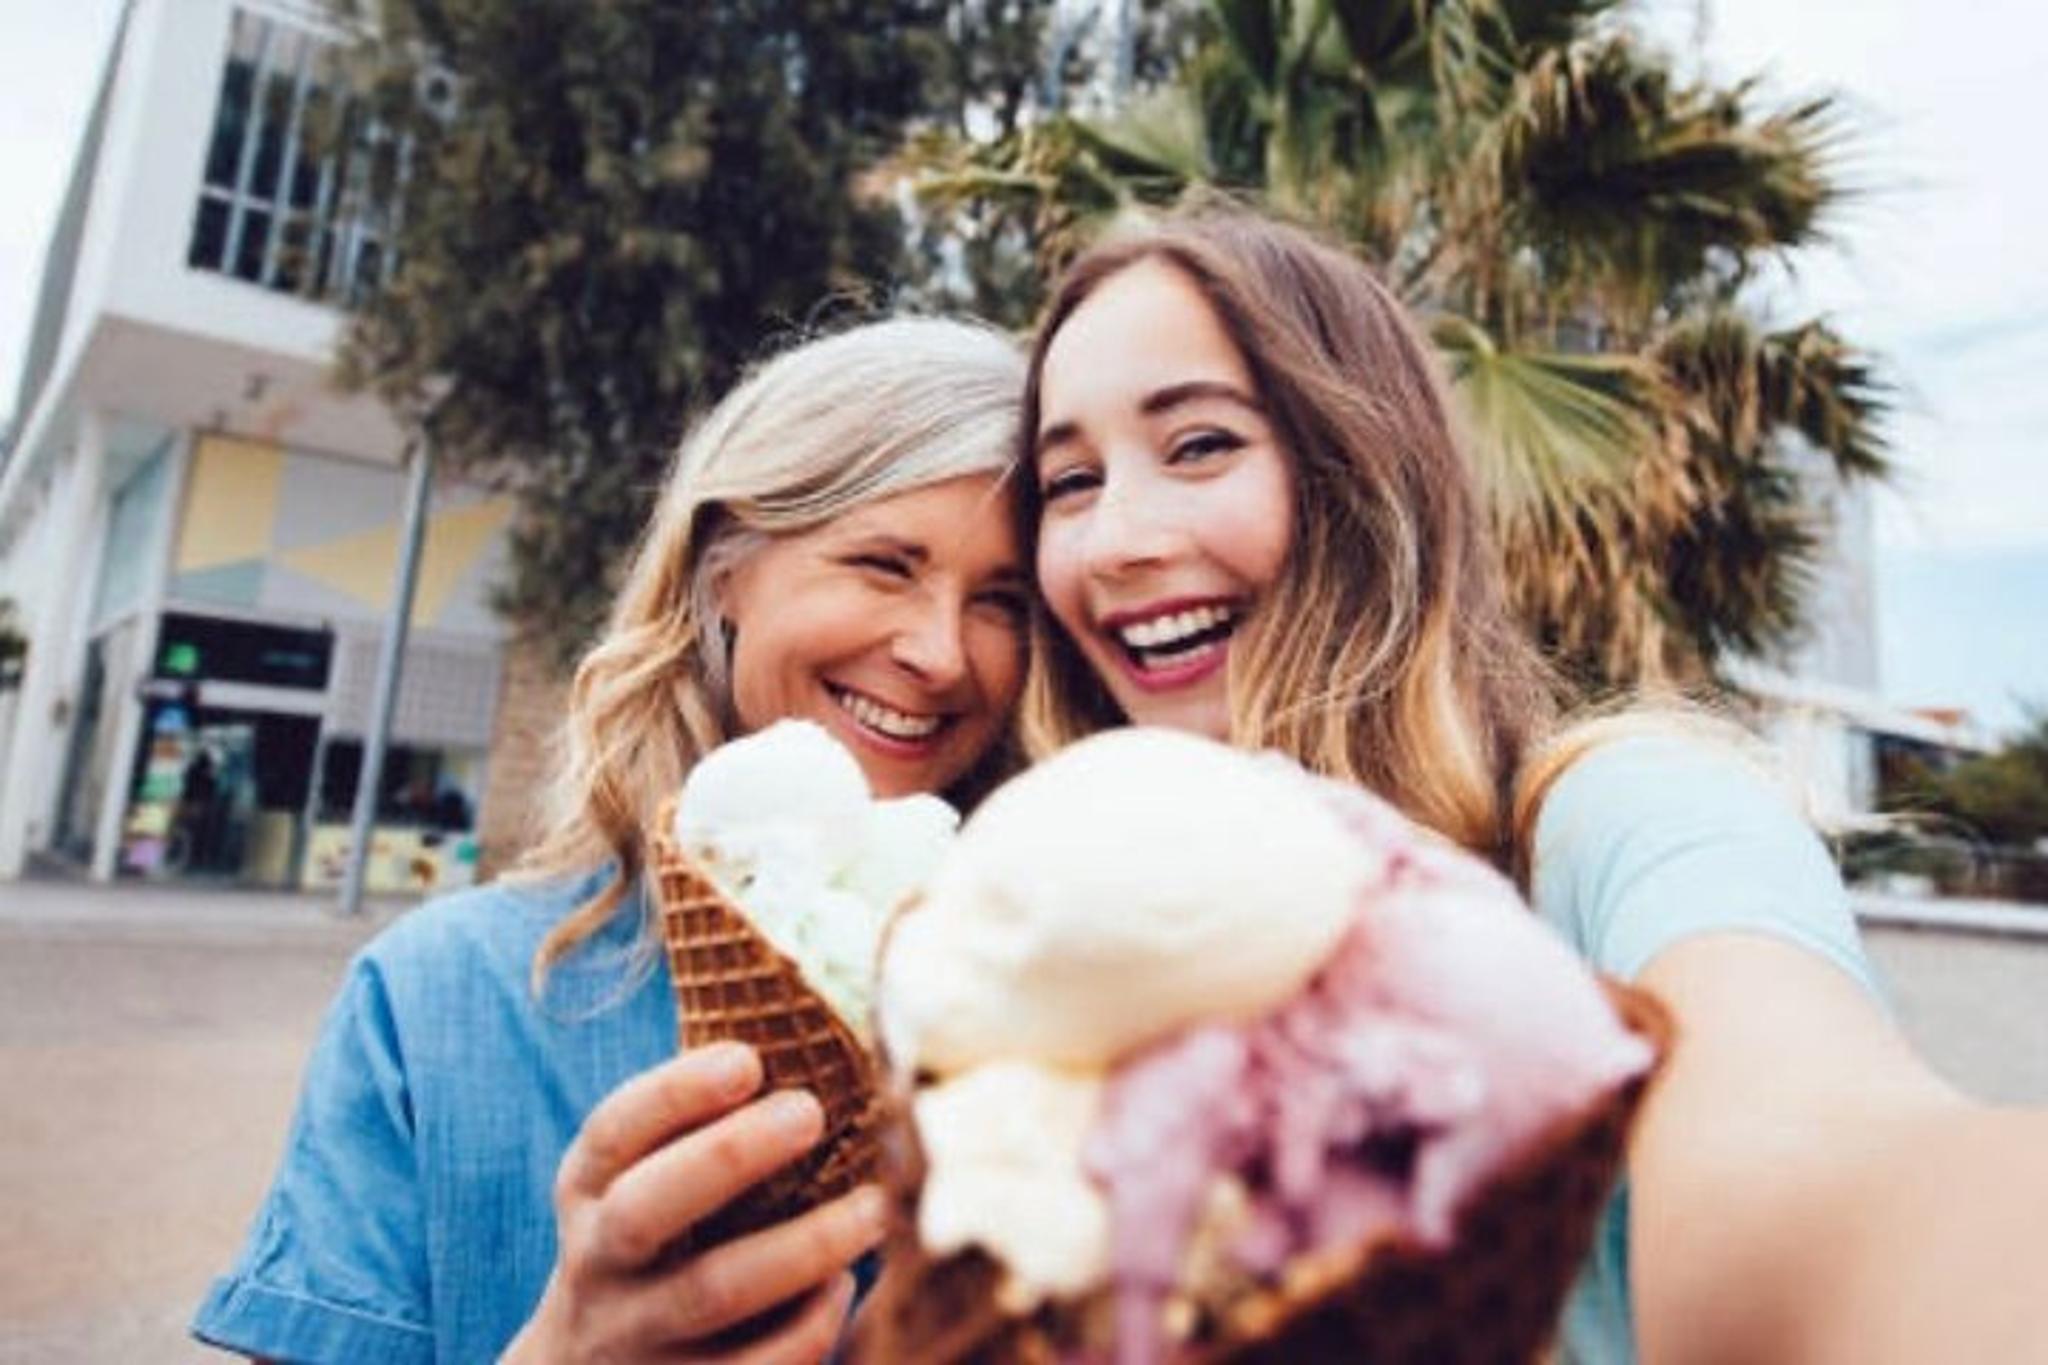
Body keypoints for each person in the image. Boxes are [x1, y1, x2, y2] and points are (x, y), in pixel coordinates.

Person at [1017, 204, 2048, 1364]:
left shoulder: (1626, 821)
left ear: (1362, 474)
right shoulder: (1061, 974)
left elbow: (1818, 1176)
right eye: (1067, 481)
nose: (1111, 541)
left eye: (1201, 444)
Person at [192, 316, 1032, 1365]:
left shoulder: (1078, 1028)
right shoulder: (438, 1001)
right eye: (881, 563)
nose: (941, 654)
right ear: (725, 566)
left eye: (1002, 601)